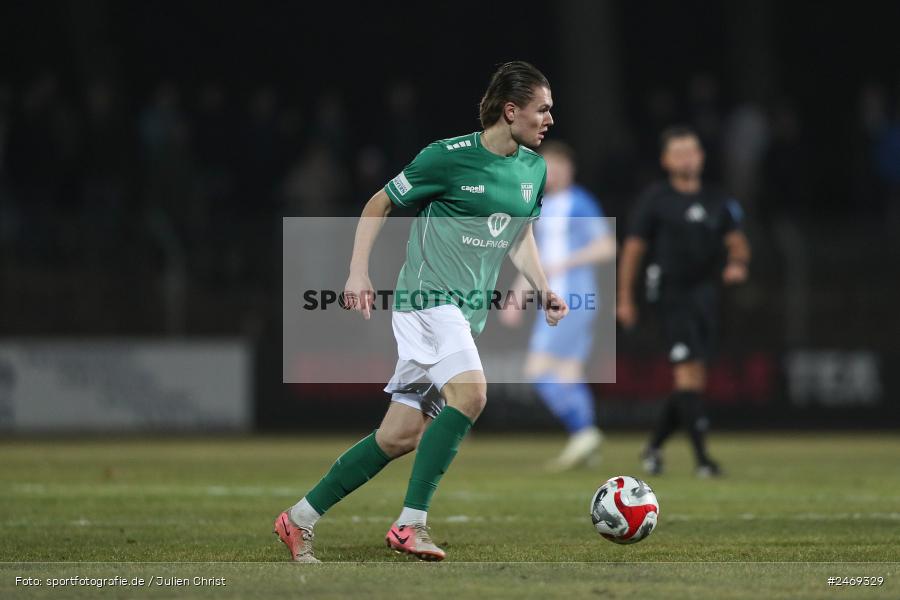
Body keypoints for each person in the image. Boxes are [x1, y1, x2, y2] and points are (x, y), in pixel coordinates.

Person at [274, 61, 568, 562]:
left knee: (399, 435)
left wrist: (543, 288)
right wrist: (357, 272)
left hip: (463, 312)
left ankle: (298, 518)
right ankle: (411, 524)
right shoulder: (446, 157)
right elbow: (379, 203)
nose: (549, 120)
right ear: (511, 109)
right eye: (542, 110)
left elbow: (519, 235)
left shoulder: (533, 169)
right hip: (426, 301)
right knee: (472, 395)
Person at [617, 125, 751, 478]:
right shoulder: (655, 199)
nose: (686, 158)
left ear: (702, 157)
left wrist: (737, 264)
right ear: (665, 160)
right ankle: (703, 460)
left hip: (705, 296)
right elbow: (633, 250)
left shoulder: (718, 200)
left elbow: (737, 242)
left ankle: (654, 447)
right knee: (688, 372)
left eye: (691, 151)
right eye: (678, 152)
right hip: (669, 293)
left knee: (692, 380)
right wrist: (625, 298)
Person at [499, 141, 615, 470]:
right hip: (555, 300)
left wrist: (565, 263)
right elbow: (538, 260)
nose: (554, 173)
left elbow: (607, 246)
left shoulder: (579, 201)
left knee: (537, 370)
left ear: (571, 169)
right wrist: (517, 295)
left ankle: (583, 433)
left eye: (560, 166)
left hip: (573, 298)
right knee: (567, 373)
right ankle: (587, 441)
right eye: (548, 167)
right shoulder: (543, 205)